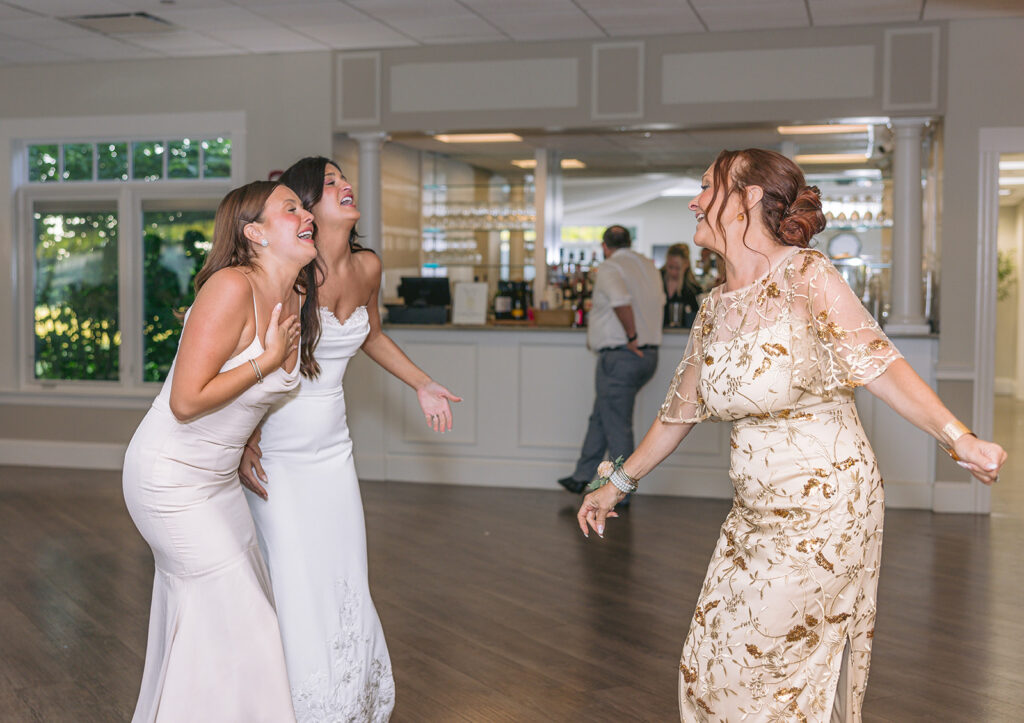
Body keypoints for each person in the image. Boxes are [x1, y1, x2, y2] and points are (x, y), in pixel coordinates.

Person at [577, 149, 1007, 722]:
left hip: (826, 511)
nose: (694, 200)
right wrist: (618, 483)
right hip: (752, 515)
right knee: (707, 662)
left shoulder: (808, 276)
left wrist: (960, 438)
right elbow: (679, 412)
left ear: (748, 197)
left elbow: (880, 366)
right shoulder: (713, 309)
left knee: (762, 675)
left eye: (707, 187)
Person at [237, 156, 461, 721]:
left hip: (333, 451)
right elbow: (249, 359)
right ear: (305, 207)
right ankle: (292, 702)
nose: (346, 186)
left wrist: (423, 383)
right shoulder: (290, 272)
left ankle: (346, 698)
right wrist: (242, 438)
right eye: (331, 182)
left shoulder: (367, 267)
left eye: (345, 179)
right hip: (280, 452)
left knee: (344, 574)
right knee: (294, 577)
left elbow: (373, 336)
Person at [123, 181, 317, 721]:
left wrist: (247, 439)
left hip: (217, 480)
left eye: (305, 208)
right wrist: (266, 359)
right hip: (169, 477)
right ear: (254, 232)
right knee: (244, 620)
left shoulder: (295, 294)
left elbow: (251, 394)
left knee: (226, 621)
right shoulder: (231, 286)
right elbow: (186, 401)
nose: (307, 216)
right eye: (291, 209)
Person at [557, 225, 665, 499]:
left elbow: (621, 302)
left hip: (622, 355)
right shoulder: (647, 265)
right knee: (603, 415)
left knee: (617, 424)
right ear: (630, 242)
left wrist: (631, 336)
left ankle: (620, 492)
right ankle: (581, 475)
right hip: (649, 355)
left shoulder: (610, 267)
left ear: (605, 247)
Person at [662, 243, 702, 328]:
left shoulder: (693, 289)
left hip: (682, 337)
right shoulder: (658, 281)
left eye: (677, 268)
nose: (673, 272)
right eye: (670, 267)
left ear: (686, 265)